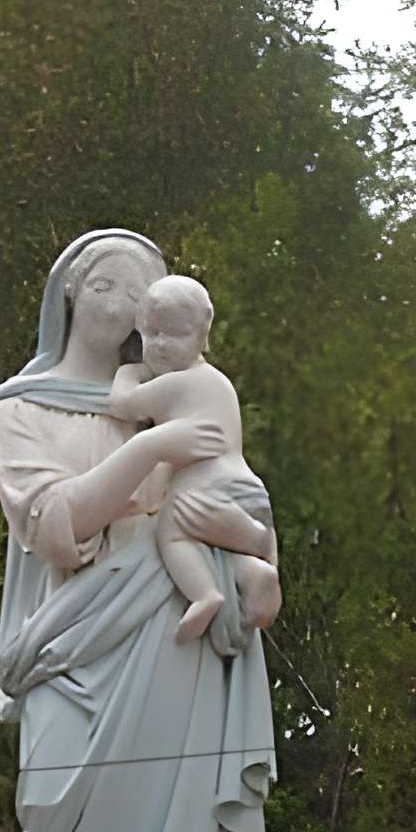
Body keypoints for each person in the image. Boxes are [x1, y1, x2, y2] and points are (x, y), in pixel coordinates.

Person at [0, 229, 280, 832]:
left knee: (177, 807)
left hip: (164, 623)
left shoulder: (180, 388)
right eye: (113, 287)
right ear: (72, 292)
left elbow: (225, 489)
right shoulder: (23, 409)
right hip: (70, 639)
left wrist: (253, 547)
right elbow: (53, 523)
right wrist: (150, 446)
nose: (128, 309)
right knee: (51, 807)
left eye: (145, 296)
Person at [110, 274, 278, 644]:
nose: (162, 345)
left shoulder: (176, 384)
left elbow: (122, 405)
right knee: (221, 550)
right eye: (151, 334)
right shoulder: (219, 383)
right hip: (250, 494)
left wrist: (128, 372)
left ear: (203, 336)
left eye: (176, 334)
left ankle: (205, 594)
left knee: (171, 533)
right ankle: (255, 563)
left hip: (204, 494)